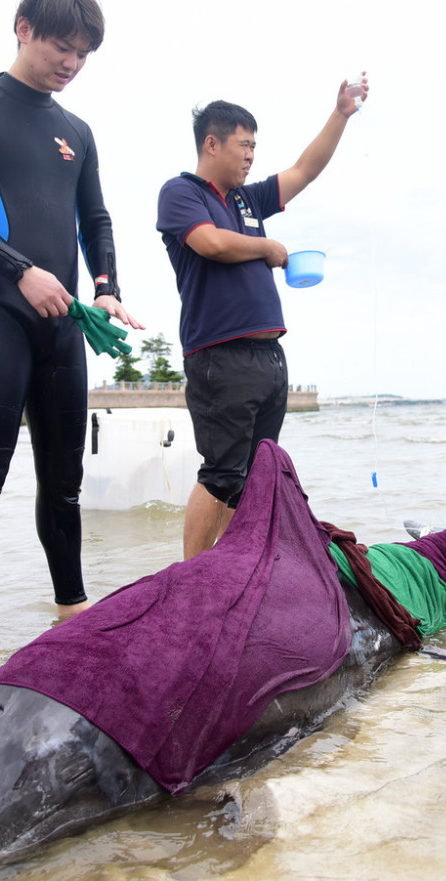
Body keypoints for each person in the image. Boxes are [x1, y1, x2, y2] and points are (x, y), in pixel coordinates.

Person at [0, 0, 142, 648]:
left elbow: (96, 219)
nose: (72, 62)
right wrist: (20, 268)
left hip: (63, 328)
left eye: (83, 53)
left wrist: (105, 288)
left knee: (65, 482)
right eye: (61, 47)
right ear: (23, 29)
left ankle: (71, 615)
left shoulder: (77, 133)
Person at [156, 77, 367, 559]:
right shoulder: (181, 193)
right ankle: (193, 575)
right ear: (212, 143)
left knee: (250, 476)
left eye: (255, 146)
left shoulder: (247, 201)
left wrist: (340, 115)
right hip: (220, 354)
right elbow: (209, 242)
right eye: (243, 144)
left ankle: (229, 565)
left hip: (268, 356)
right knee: (222, 471)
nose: (251, 154)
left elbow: (304, 171)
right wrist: (268, 247)